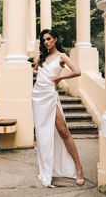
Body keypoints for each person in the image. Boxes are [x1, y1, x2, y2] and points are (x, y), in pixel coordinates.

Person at [32, 29, 84, 188]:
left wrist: (60, 77)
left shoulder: (62, 56)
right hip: (38, 96)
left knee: (63, 131)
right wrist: (37, 72)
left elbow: (77, 71)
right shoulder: (42, 58)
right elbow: (36, 70)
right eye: (43, 40)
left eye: (48, 39)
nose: (46, 42)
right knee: (42, 134)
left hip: (50, 95)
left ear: (55, 39)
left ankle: (79, 169)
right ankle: (48, 168)